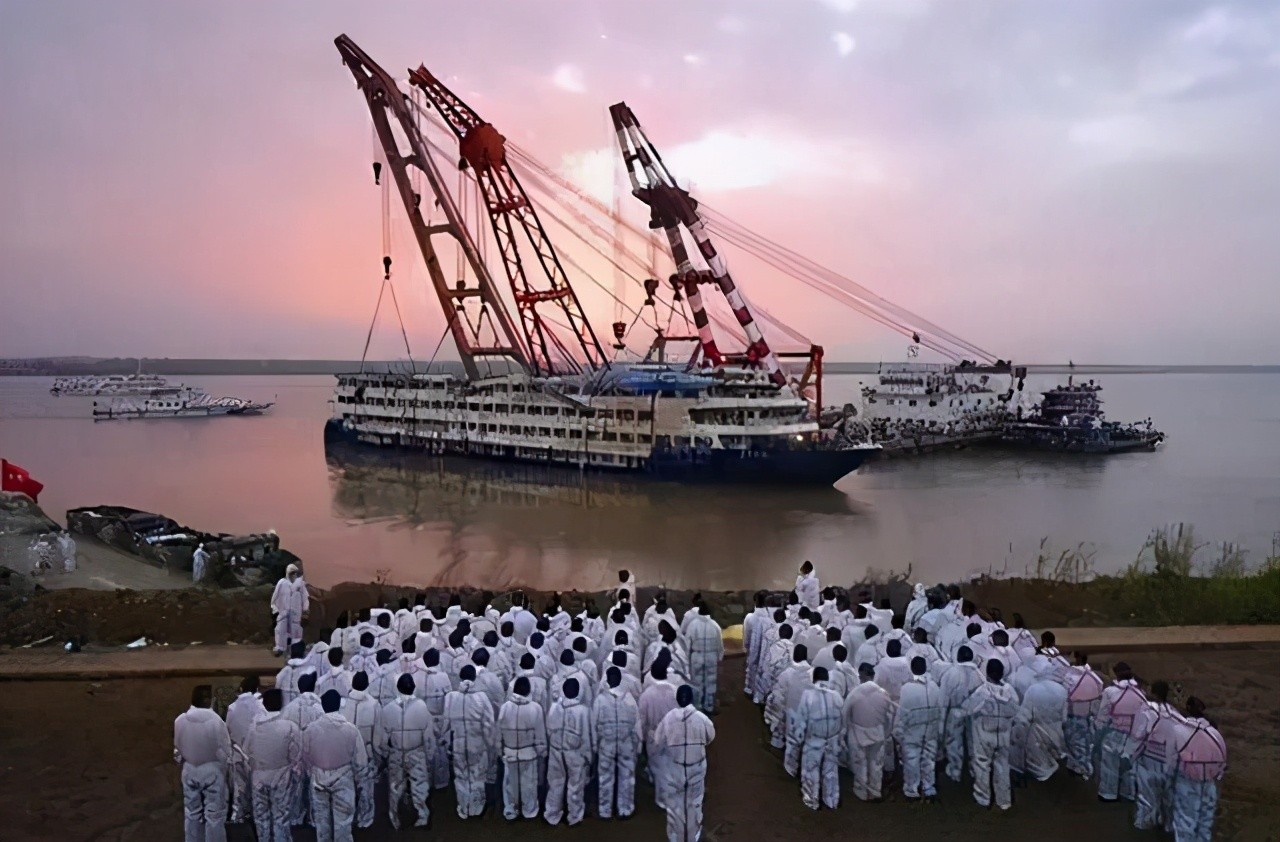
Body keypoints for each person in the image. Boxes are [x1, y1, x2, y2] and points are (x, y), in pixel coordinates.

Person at [652, 684, 715, 842]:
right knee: (695, 802)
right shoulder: (701, 718)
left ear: (677, 700)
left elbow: (658, 740)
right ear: (692, 699)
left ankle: (675, 837)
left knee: (674, 804)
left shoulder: (668, 718)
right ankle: (693, 836)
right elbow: (710, 736)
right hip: (697, 767)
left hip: (675, 768)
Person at [303, 689, 367, 842]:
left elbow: (305, 756)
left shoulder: (310, 729)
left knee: (321, 822)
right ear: (339, 705)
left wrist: (312, 772)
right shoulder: (351, 729)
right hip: (343, 777)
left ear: (322, 706)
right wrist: (360, 780)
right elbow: (360, 760)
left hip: (318, 777)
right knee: (343, 823)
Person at [1124, 679, 1185, 832]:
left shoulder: (1147, 710)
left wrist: (1129, 754)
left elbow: (1138, 734)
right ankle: (1168, 824)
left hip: (1150, 756)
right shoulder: (1175, 714)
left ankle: (1144, 822)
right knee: (1168, 793)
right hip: (1170, 759)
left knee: (1147, 792)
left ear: (1153, 692)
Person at [173, 684, 232, 842]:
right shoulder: (216, 722)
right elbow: (226, 750)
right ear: (210, 700)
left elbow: (177, 750)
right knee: (215, 815)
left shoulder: (180, 720)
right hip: (213, 771)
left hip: (189, 770)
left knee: (192, 813)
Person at [960, 659, 1020, 810]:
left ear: (987, 673)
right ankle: (1004, 800)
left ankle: (983, 799)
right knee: (1003, 767)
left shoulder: (982, 692)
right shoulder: (1011, 692)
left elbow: (966, 708)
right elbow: (1016, 710)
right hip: (1004, 735)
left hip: (984, 734)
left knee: (982, 766)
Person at [377, 673, 433, 829]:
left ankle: (394, 816)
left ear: (397, 688)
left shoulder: (388, 709)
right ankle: (422, 816)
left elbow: (382, 738)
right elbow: (429, 736)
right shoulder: (422, 707)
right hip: (417, 752)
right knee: (420, 785)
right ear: (414, 688)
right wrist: (429, 755)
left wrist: (385, 753)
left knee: (395, 786)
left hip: (396, 753)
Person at [244, 689, 301, 842]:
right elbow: (296, 753)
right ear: (282, 703)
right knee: (281, 817)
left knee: (261, 817)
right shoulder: (289, 726)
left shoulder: (254, 726)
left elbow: (247, 750)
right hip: (281, 776)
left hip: (258, 777)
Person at [441, 664, 496, 819]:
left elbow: (446, 723)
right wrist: (491, 743)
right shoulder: (482, 697)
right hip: (477, 743)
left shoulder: (451, 697)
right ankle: (476, 808)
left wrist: (445, 740)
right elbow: (489, 723)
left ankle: (464, 807)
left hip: (458, 744)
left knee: (461, 776)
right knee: (478, 776)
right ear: (475, 678)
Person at [1171, 696, 1227, 842]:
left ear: (1187, 708)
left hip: (1187, 782)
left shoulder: (1178, 729)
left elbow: (1170, 757)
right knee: (1205, 823)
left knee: (1185, 822)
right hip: (1209, 784)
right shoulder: (1215, 734)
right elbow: (1222, 761)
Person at [545, 676, 594, 826]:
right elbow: (586, 736)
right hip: (575, 752)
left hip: (555, 750)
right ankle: (574, 816)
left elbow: (549, 730)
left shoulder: (554, 707)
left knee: (555, 784)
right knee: (575, 785)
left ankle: (552, 814)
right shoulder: (583, 711)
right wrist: (588, 757)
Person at [594, 665, 641, 819]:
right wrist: (638, 746)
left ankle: (607, 810)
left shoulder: (601, 700)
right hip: (621, 744)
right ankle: (622, 809)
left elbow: (594, 724)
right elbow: (637, 725)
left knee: (608, 777)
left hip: (611, 744)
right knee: (623, 776)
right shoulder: (628, 699)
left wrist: (595, 745)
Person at [1095, 661, 1147, 802]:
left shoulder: (1110, 692)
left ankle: (1108, 793)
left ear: (1117, 674)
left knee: (1109, 763)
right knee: (1130, 764)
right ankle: (1128, 792)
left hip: (1114, 732)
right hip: (1133, 734)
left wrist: (1098, 728)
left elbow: (1103, 713)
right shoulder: (1141, 693)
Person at [497, 675, 547, 821]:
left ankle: (510, 809)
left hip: (509, 751)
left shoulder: (505, 707)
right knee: (529, 784)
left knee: (509, 784)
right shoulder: (536, 708)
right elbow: (540, 733)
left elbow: (498, 731)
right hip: (529, 753)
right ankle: (529, 810)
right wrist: (542, 752)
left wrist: (499, 749)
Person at [793, 666, 843, 810]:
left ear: (813, 679)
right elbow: (843, 719)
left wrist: (797, 739)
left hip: (814, 740)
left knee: (811, 771)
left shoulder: (808, 695)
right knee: (831, 771)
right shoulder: (837, 696)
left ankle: (812, 801)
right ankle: (831, 801)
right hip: (832, 739)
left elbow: (801, 719)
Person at [844, 662, 894, 802]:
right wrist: (886, 732)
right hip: (878, 733)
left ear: (863, 675)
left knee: (860, 763)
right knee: (876, 763)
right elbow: (890, 716)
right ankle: (875, 790)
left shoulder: (855, 693)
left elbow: (845, 713)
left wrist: (846, 731)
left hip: (858, 733)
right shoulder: (883, 694)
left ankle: (861, 791)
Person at [896, 656, 944, 800]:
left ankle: (912, 789)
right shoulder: (935, 687)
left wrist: (897, 732)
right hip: (931, 729)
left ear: (911, 669)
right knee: (929, 760)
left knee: (912, 760)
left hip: (912, 731)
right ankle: (928, 787)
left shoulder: (907, 688)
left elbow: (902, 713)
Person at [340, 671, 381, 829]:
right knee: (366, 788)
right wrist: (379, 755)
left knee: (347, 787)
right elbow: (378, 735)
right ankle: (365, 818)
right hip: (367, 751)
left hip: (346, 752)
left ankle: (347, 816)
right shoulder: (374, 704)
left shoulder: (343, 704)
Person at [1015, 669, 1069, 782]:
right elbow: (1064, 717)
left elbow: (1025, 714)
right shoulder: (1062, 690)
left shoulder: (1033, 689)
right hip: (1056, 729)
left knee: (1039, 755)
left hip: (1037, 730)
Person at [225, 675, 265, 824]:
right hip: (256, 756)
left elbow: (228, 731)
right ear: (257, 688)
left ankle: (237, 821)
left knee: (239, 791)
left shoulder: (232, 708)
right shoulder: (260, 706)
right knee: (257, 793)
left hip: (238, 754)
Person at [1063, 651, 1104, 777]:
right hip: (1088, 715)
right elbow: (1099, 691)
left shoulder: (1069, 676)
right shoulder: (1094, 677)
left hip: (1073, 714)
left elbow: (1065, 693)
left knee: (1073, 742)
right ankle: (1081, 766)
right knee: (1085, 743)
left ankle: (1080, 767)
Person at [684, 603, 724, 713]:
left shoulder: (692, 625)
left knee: (696, 682)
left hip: (697, 656)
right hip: (711, 657)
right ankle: (709, 705)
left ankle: (697, 706)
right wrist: (719, 657)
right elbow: (720, 645)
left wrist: (686, 658)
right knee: (710, 682)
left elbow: (687, 644)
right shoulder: (715, 625)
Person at [270, 564, 309, 656]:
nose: (293, 575)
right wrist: (275, 609)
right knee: (280, 628)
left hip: (296, 611)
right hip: (283, 611)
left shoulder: (300, 583)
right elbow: (275, 596)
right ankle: (280, 647)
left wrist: (305, 609)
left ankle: (295, 648)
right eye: (291, 573)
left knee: (295, 629)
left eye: (294, 573)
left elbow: (305, 597)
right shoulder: (281, 583)